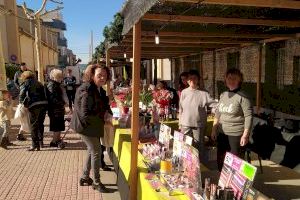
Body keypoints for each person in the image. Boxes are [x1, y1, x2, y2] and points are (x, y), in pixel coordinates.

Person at [70, 64, 112, 193]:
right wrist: (103, 117)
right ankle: (97, 182)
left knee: (91, 150)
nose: (102, 78)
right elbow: (85, 114)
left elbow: (103, 105)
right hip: (85, 126)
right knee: (96, 151)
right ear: (92, 75)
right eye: (99, 75)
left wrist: (108, 112)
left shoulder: (100, 89)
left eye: (105, 75)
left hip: (92, 125)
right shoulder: (87, 89)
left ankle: (85, 177)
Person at [211, 68, 253, 171]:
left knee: (235, 163)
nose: (231, 80)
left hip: (236, 134)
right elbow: (218, 112)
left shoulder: (243, 96)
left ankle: (234, 185)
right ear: (225, 80)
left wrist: (245, 135)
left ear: (240, 80)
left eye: (235, 78)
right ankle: (222, 183)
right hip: (222, 133)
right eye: (229, 78)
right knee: (221, 160)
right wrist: (214, 129)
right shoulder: (223, 95)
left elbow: (249, 116)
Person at [179, 69, 217, 158]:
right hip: (185, 124)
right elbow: (181, 109)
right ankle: (186, 165)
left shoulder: (204, 93)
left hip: (198, 124)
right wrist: (180, 124)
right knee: (185, 146)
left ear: (198, 79)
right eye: (190, 79)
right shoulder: (184, 92)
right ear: (187, 81)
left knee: (199, 146)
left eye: (194, 78)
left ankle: (200, 166)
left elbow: (215, 104)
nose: (192, 80)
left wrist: (216, 110)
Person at [19, 71, 48, 151]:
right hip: (44, 104)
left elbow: (22, 95)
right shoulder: (39, 83)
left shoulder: (25, 83)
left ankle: (34, 145)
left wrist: (23, 105)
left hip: (34, 105)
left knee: (33, 125)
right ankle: (41, 142)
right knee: (40, 124)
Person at [45, 69, 66, 148]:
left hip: (57, 109)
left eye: (61, 76)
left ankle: (57, 140)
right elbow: (53, 99)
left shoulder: (55, 84)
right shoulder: (52, 85)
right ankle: (54, 141)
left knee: (59, 126)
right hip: (55, 109)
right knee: (56, 126)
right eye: (59, 77)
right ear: (54, 77)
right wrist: (62, 103)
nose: (61, 78)